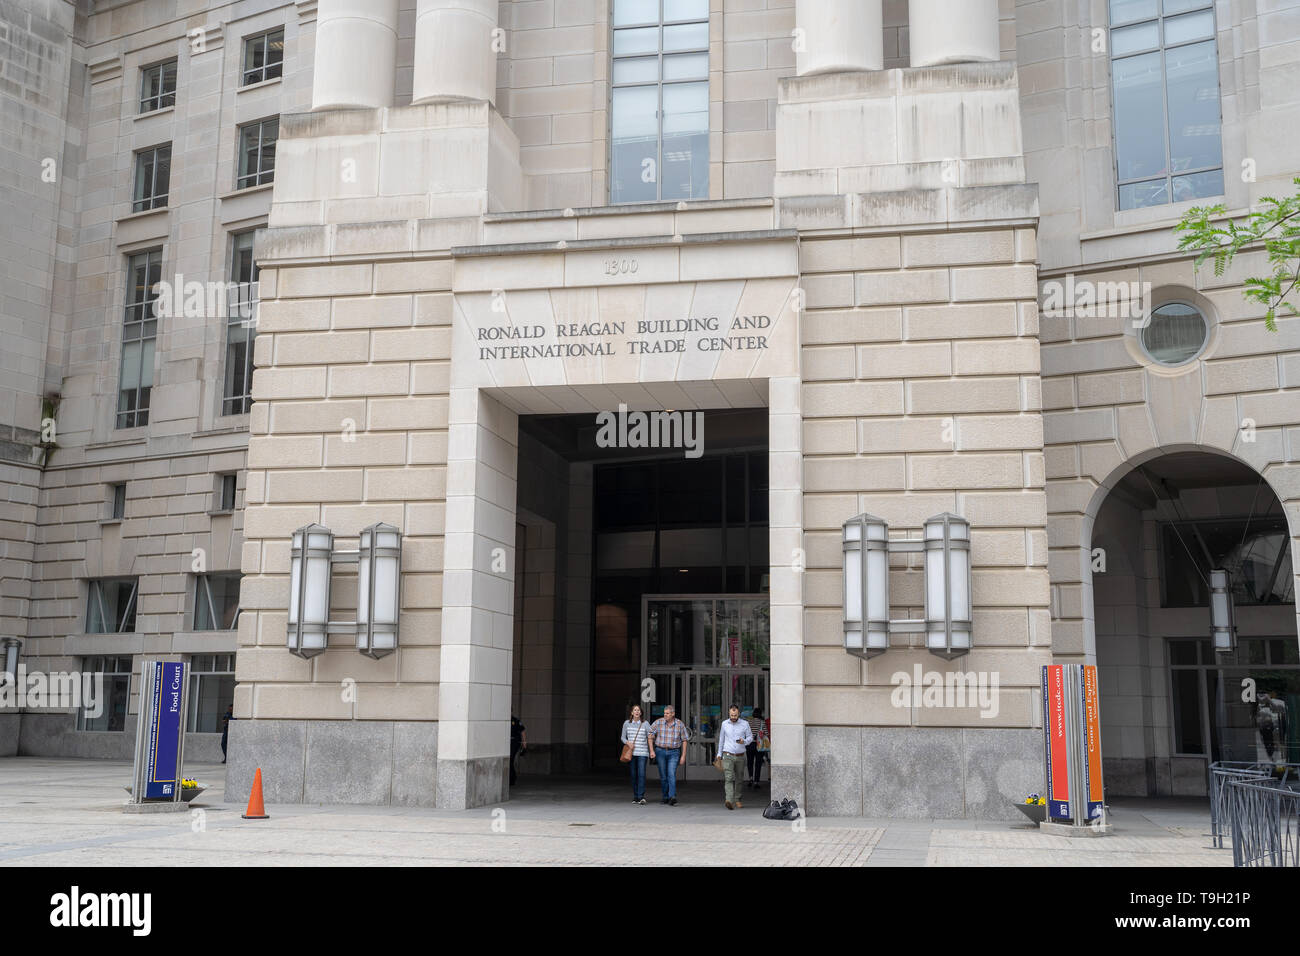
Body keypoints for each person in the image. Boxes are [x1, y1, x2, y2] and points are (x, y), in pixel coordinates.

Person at [648, 704, 689, 805]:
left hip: (674, 752)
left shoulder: (680, 724)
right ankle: (665, 796)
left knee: (671, 774)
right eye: (664, 713)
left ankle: (672, 796)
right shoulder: (658, 722)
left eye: (667, 713)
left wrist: (683, 756)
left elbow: (684, 740)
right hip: (660, 751)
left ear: (673, 714)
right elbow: (650, 736)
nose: (665, 715)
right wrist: (652, 751)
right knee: (663, 775)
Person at [716, 704, 753, 810]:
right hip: (727, 754)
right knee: (728, 778)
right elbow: (721, 739)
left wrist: (744, 741)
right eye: (732, 715)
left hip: (740, 756)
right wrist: (719, 754)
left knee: (739, 779)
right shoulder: (724, 724)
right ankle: (729, 800)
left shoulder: (745, 724)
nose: (733, 717)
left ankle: (737, 799)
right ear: (729, 713)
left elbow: (750, 737)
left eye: (735, 715)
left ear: (739, 714)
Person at [621, 703, 652, 805]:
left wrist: (652, 736)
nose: (637, 712)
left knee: (641, 774)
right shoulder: (626, 723)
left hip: (642, 753)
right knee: (634, 775)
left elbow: (650, 735)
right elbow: (622, 737)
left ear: (641, 712)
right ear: (631, 712)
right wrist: (628, 742)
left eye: (638, 710)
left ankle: (641, 796)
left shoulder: (645, 724)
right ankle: (635, 796)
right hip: (631, 753)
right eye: (635, 710)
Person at [745, 706, 766, 789]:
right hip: (759, 745)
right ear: (760, 714)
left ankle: (750, 778)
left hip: (749, 745)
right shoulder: (762, 722)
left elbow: (745, 733)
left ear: (753, 714)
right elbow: (766, 733)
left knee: (750, 762)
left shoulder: (749, 722)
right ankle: (756, 781)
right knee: (758, 764)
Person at [509, 715, 527, 786]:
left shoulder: (515, 720)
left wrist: (524, 743)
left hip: (514, 742)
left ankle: (512, 778)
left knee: (510, 759)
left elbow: (522, 731)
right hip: (506, 742)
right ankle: (512, 777)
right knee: (509, 761)